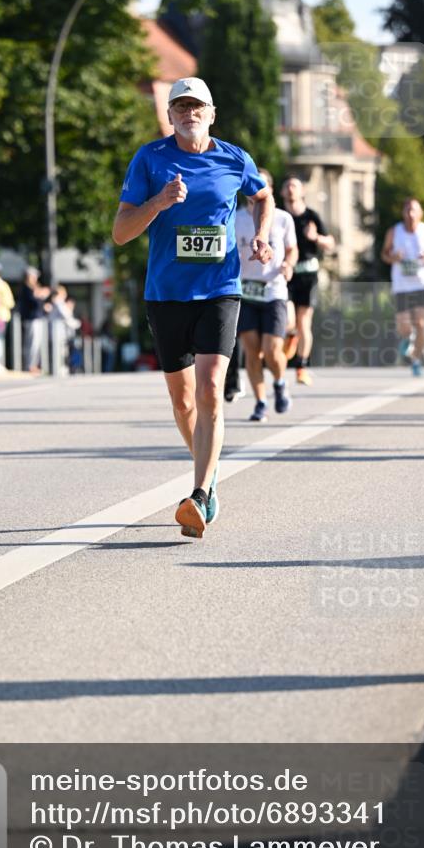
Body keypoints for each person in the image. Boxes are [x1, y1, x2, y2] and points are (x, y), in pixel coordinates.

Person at [112, 76, 274, 538]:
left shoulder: (233, 158)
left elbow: (262, 195)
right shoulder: (150, 159)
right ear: (170, 116)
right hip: (166, 293)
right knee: (183, 402)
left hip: (220, 287)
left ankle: (199, 493)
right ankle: (210, 467)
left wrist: (260, 235)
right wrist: (158, 203)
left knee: (208, 390)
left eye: (196, 106)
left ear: (211, 112)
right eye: (180, 106)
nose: (189, 113)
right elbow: (121, 232)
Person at [235, 167, 298, 422]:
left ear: (268, 189)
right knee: (251, 350)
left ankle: (280, 382)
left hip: (274, 291)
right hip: (246, 289)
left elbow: (292, 249)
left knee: (272, 350)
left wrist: (288, 265)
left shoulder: (283, 218)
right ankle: (260, 401)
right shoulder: (236, 217)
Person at [280, 176, 335, 385]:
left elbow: (330, 242)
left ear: (302, 191)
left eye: (294, 185)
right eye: (287, 186)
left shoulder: (312, 216)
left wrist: (316, 238)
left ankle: (301, 366)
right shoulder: (280, 216)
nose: (291, 189)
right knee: (289, 320)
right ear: (283, 192)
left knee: (304, 322)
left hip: (309, 274)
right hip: (287, 274)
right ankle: (290, 335)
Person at [381, 197, 424, 376]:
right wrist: (393, 257)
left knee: (421, 323)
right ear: (403, 213)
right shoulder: (394, 231)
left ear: (421, 213)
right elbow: (384, 254)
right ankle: (408, 338)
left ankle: (416, 360)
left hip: (422, 284)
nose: (411, 214)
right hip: (402, 285)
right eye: (407, 210)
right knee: (404, 326)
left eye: (414, 210)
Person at [18, 266, 49, 373]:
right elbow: (34, 302)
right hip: (31, 319)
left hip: (38, 318)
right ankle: (29, 365)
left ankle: (34, 364)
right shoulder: (26, 289)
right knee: (31, 343)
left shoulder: (33, 288)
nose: (35, 278)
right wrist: (40, 296)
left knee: (37, 344)